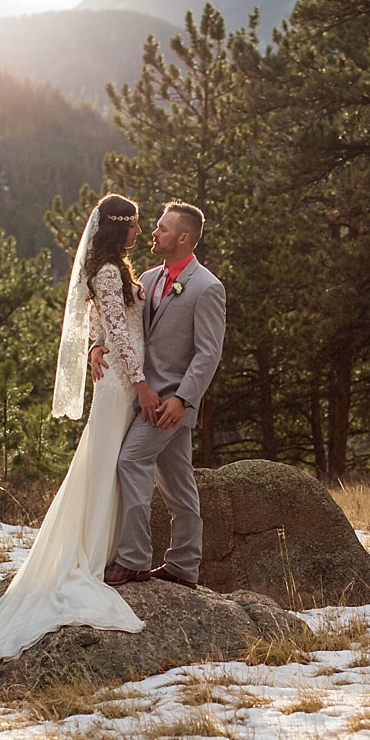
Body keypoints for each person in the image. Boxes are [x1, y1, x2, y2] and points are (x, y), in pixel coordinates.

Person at [0, 194, 155, 680]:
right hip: (122, 385)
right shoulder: (107, 272)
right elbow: (119, 335)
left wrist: (95, 346)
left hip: (123, 378)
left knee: (107, 465)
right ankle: (92, 553)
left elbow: (106, 328)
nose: (139, 234)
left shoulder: (113, 271)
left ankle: (105, 547)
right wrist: (139, 381)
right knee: (103, 465)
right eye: (136, 226)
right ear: (120, 227)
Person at [96, 201, 226, 588]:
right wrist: (98, 344)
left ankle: (133, 558)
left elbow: (208, 352)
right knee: (178, 481)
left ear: (183, 238)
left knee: (131, 461)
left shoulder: (207, 287)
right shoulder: (149, 278)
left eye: (163, 229)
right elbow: (123, 324)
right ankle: (184, 567)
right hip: (142, 398)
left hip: (171, 403)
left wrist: (184, 400)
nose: (153, 233)